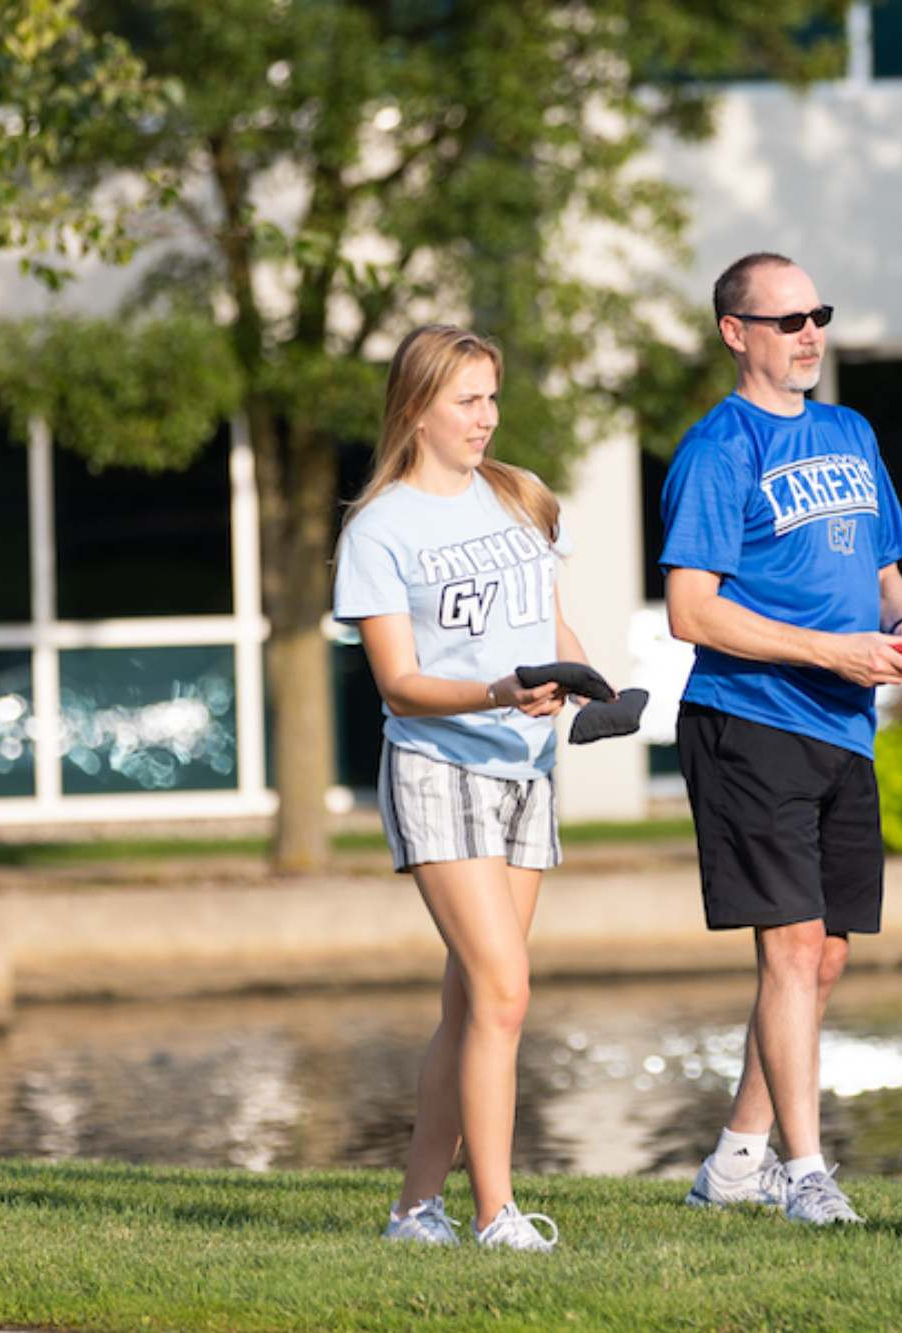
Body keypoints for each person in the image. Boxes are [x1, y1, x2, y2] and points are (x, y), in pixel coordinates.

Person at [661, 253, 902, 1226]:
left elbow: (885, 569)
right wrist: (830, 650)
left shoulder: (849, 431)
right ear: (736, 333)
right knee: (789, 948)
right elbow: (690, 612)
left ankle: (736, 1157)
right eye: (785, 320)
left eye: (816, 313)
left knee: (823, 959)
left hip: (842, 727)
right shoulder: (716, 449)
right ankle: (807, 1175)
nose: (808, 332)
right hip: (749, 722)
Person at [334, 324, 599, 1252]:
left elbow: (550, 620)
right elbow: (399, 682)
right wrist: (496, 691)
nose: (487, 418)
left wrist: (584, 682)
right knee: (505, 989)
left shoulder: (517, 495)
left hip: (527, 770)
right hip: (437, 767)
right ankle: (497, 1213)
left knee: (474, 1003)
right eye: (467, 401)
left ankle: (414, 1209)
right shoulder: (378, 529)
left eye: (492, 397)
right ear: (416, 408)